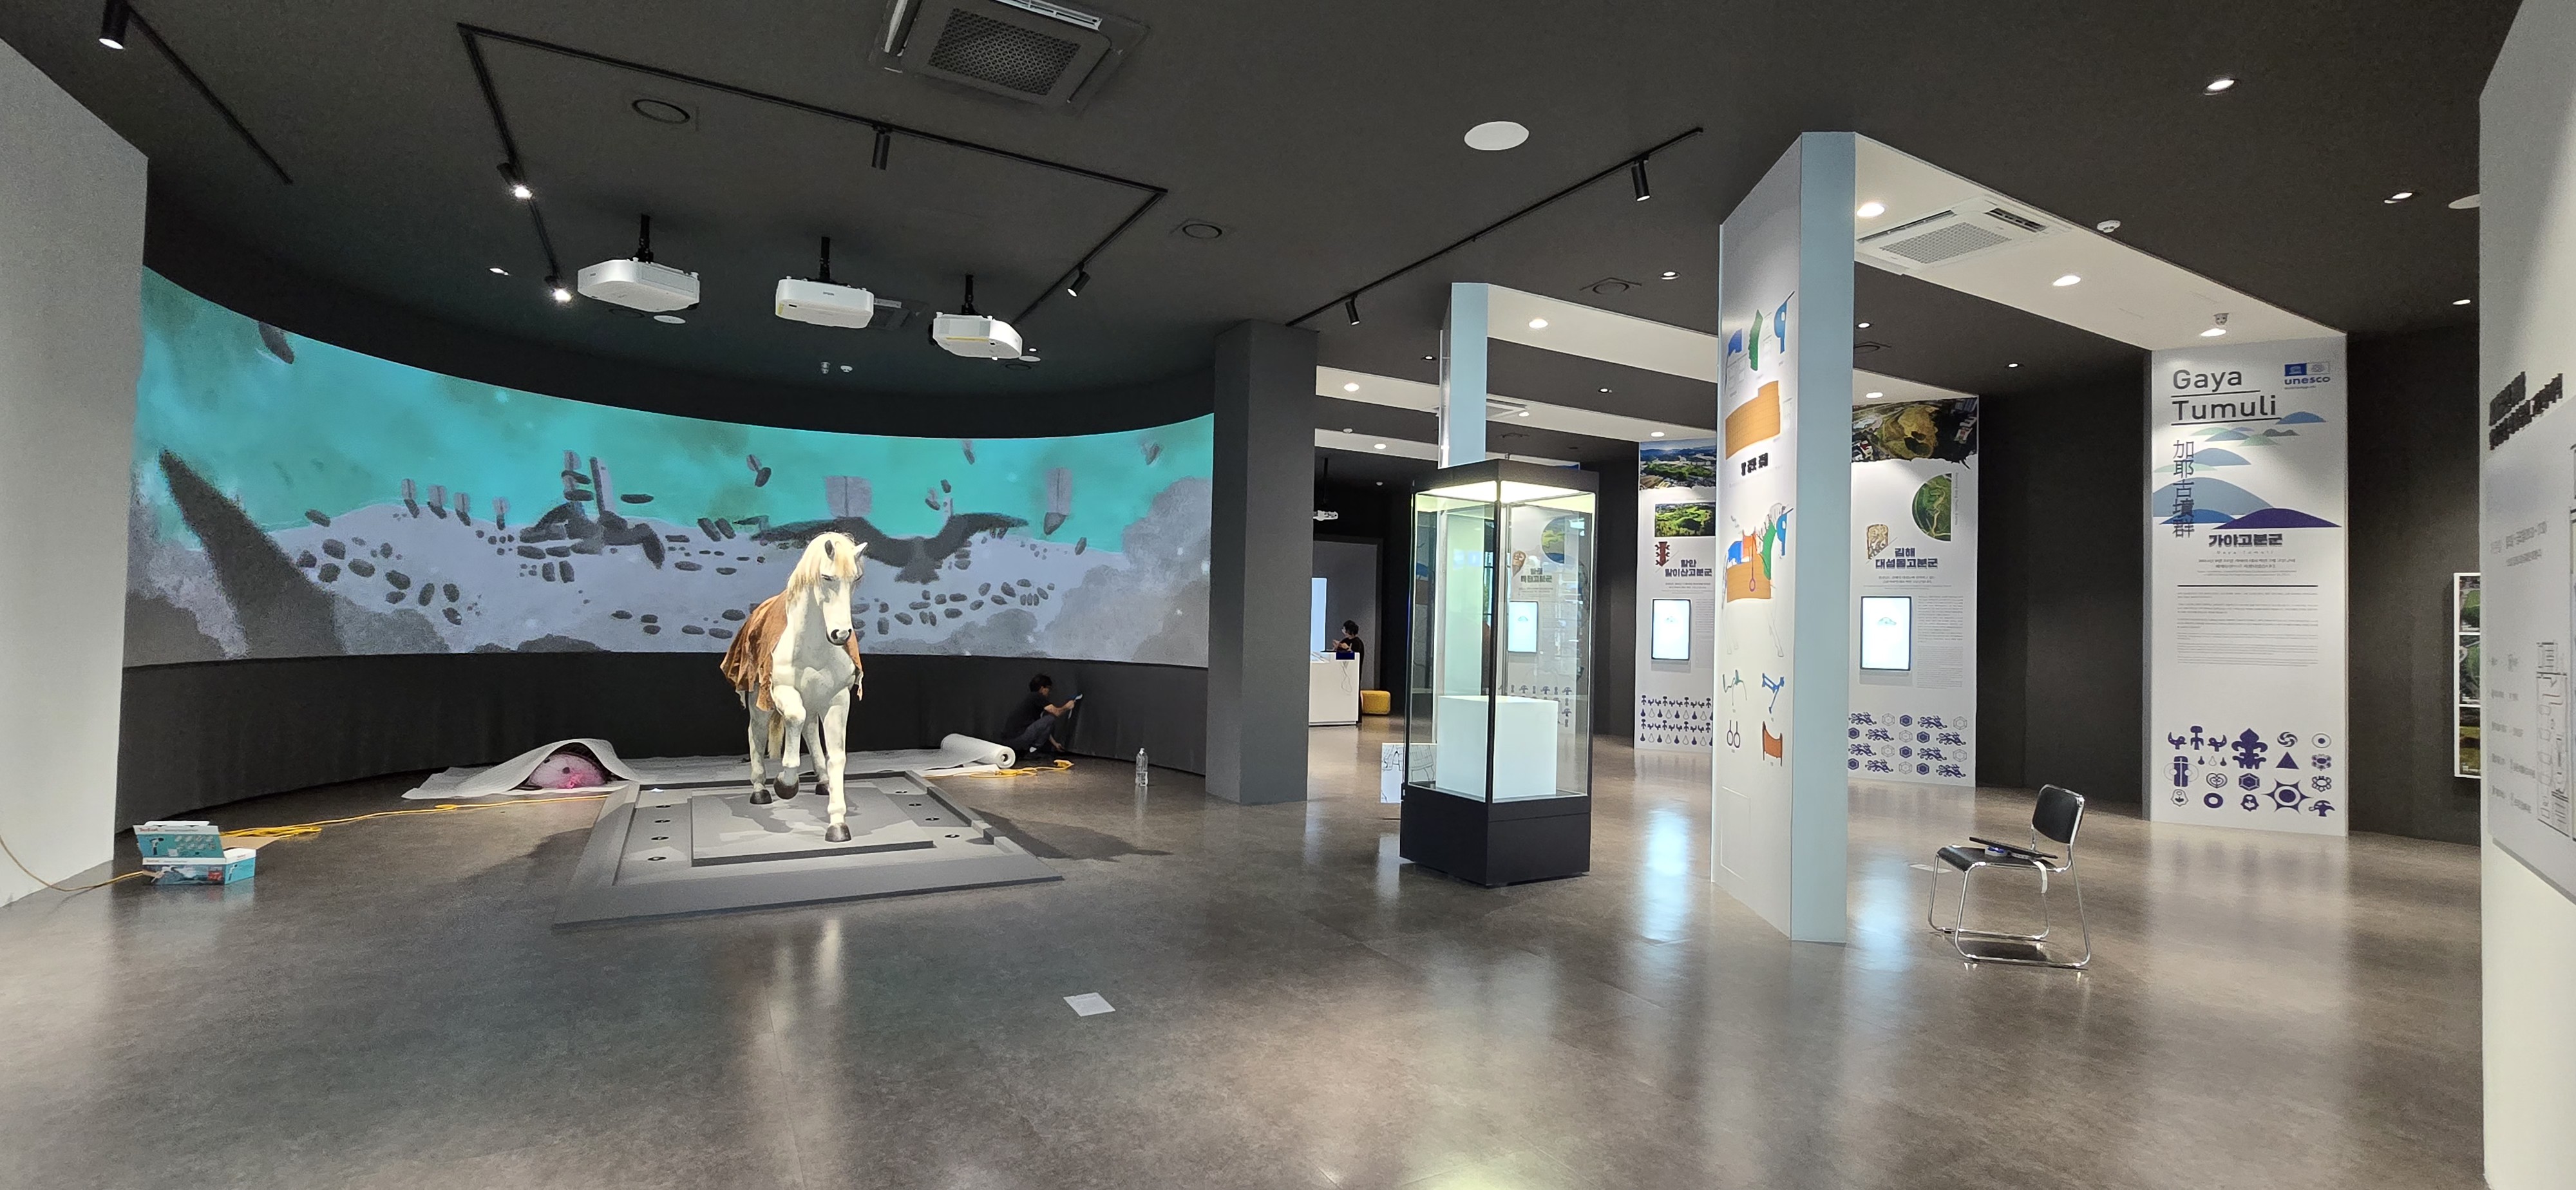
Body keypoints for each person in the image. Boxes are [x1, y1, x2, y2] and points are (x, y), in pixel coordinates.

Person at [1002, 673, 1078, 759]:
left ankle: (1029, 751)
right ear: (1042, 688)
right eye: (1048, 688)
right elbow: (1056, 712)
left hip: (1010, 741)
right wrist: (1067, 707)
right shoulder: (1037, 696)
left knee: (1047, 722)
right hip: (1018, 738)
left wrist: (1055, 744)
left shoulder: (1031, 702)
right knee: (1050, 719)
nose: (1049, 692)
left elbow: (1044, 728)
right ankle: (1033, 751)